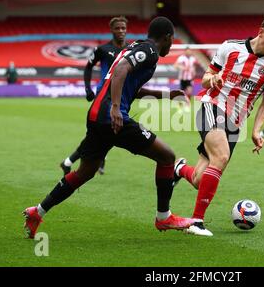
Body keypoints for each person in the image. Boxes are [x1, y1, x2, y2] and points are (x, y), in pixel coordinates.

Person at [23, 17, 194, 238]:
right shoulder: (150, 50)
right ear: (168, 37)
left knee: (85, 172)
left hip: (96, 116)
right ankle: (164, 218)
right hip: (113, 118)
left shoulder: (134, 47)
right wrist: (115, 108)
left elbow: (126, 85)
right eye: (172, 42)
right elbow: (121, 70)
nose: (171, 47)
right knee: (167, 157)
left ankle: (37, 211)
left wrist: (167, 95)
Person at [173, 13, 264, 236]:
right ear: (261, 31)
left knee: (199, 179)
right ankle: (196, 222)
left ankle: (178, 169)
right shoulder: (230, 47)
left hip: (236, 123)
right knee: (222, 157)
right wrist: (212, 79)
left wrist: (256, 130)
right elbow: (207, 77)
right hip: (212, 107)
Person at [60, 16, 128, 176]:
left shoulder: (130, 50)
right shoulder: (102, 50)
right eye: (117, 28)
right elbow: (88, 67)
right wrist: (87, 88)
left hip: (121, 96)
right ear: (111, 30)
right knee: (107, 131)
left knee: (102, 134)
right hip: (104, 95)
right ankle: (96, 160)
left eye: (123, 28)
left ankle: (69, 162)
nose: (121, 31)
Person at [174, 47, 199, 113]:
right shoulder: (181, 58)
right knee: (181, 93)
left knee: (190, 92)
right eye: (188, 51)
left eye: (190, 51)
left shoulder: (193, 59)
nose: (189, 52)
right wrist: (182, 67)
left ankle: (187, 106)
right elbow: (175, 65)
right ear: (185, 51)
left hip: (189, 78)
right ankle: (180, 107)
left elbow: (193, 67)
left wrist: (194, 71)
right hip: (182, 79)